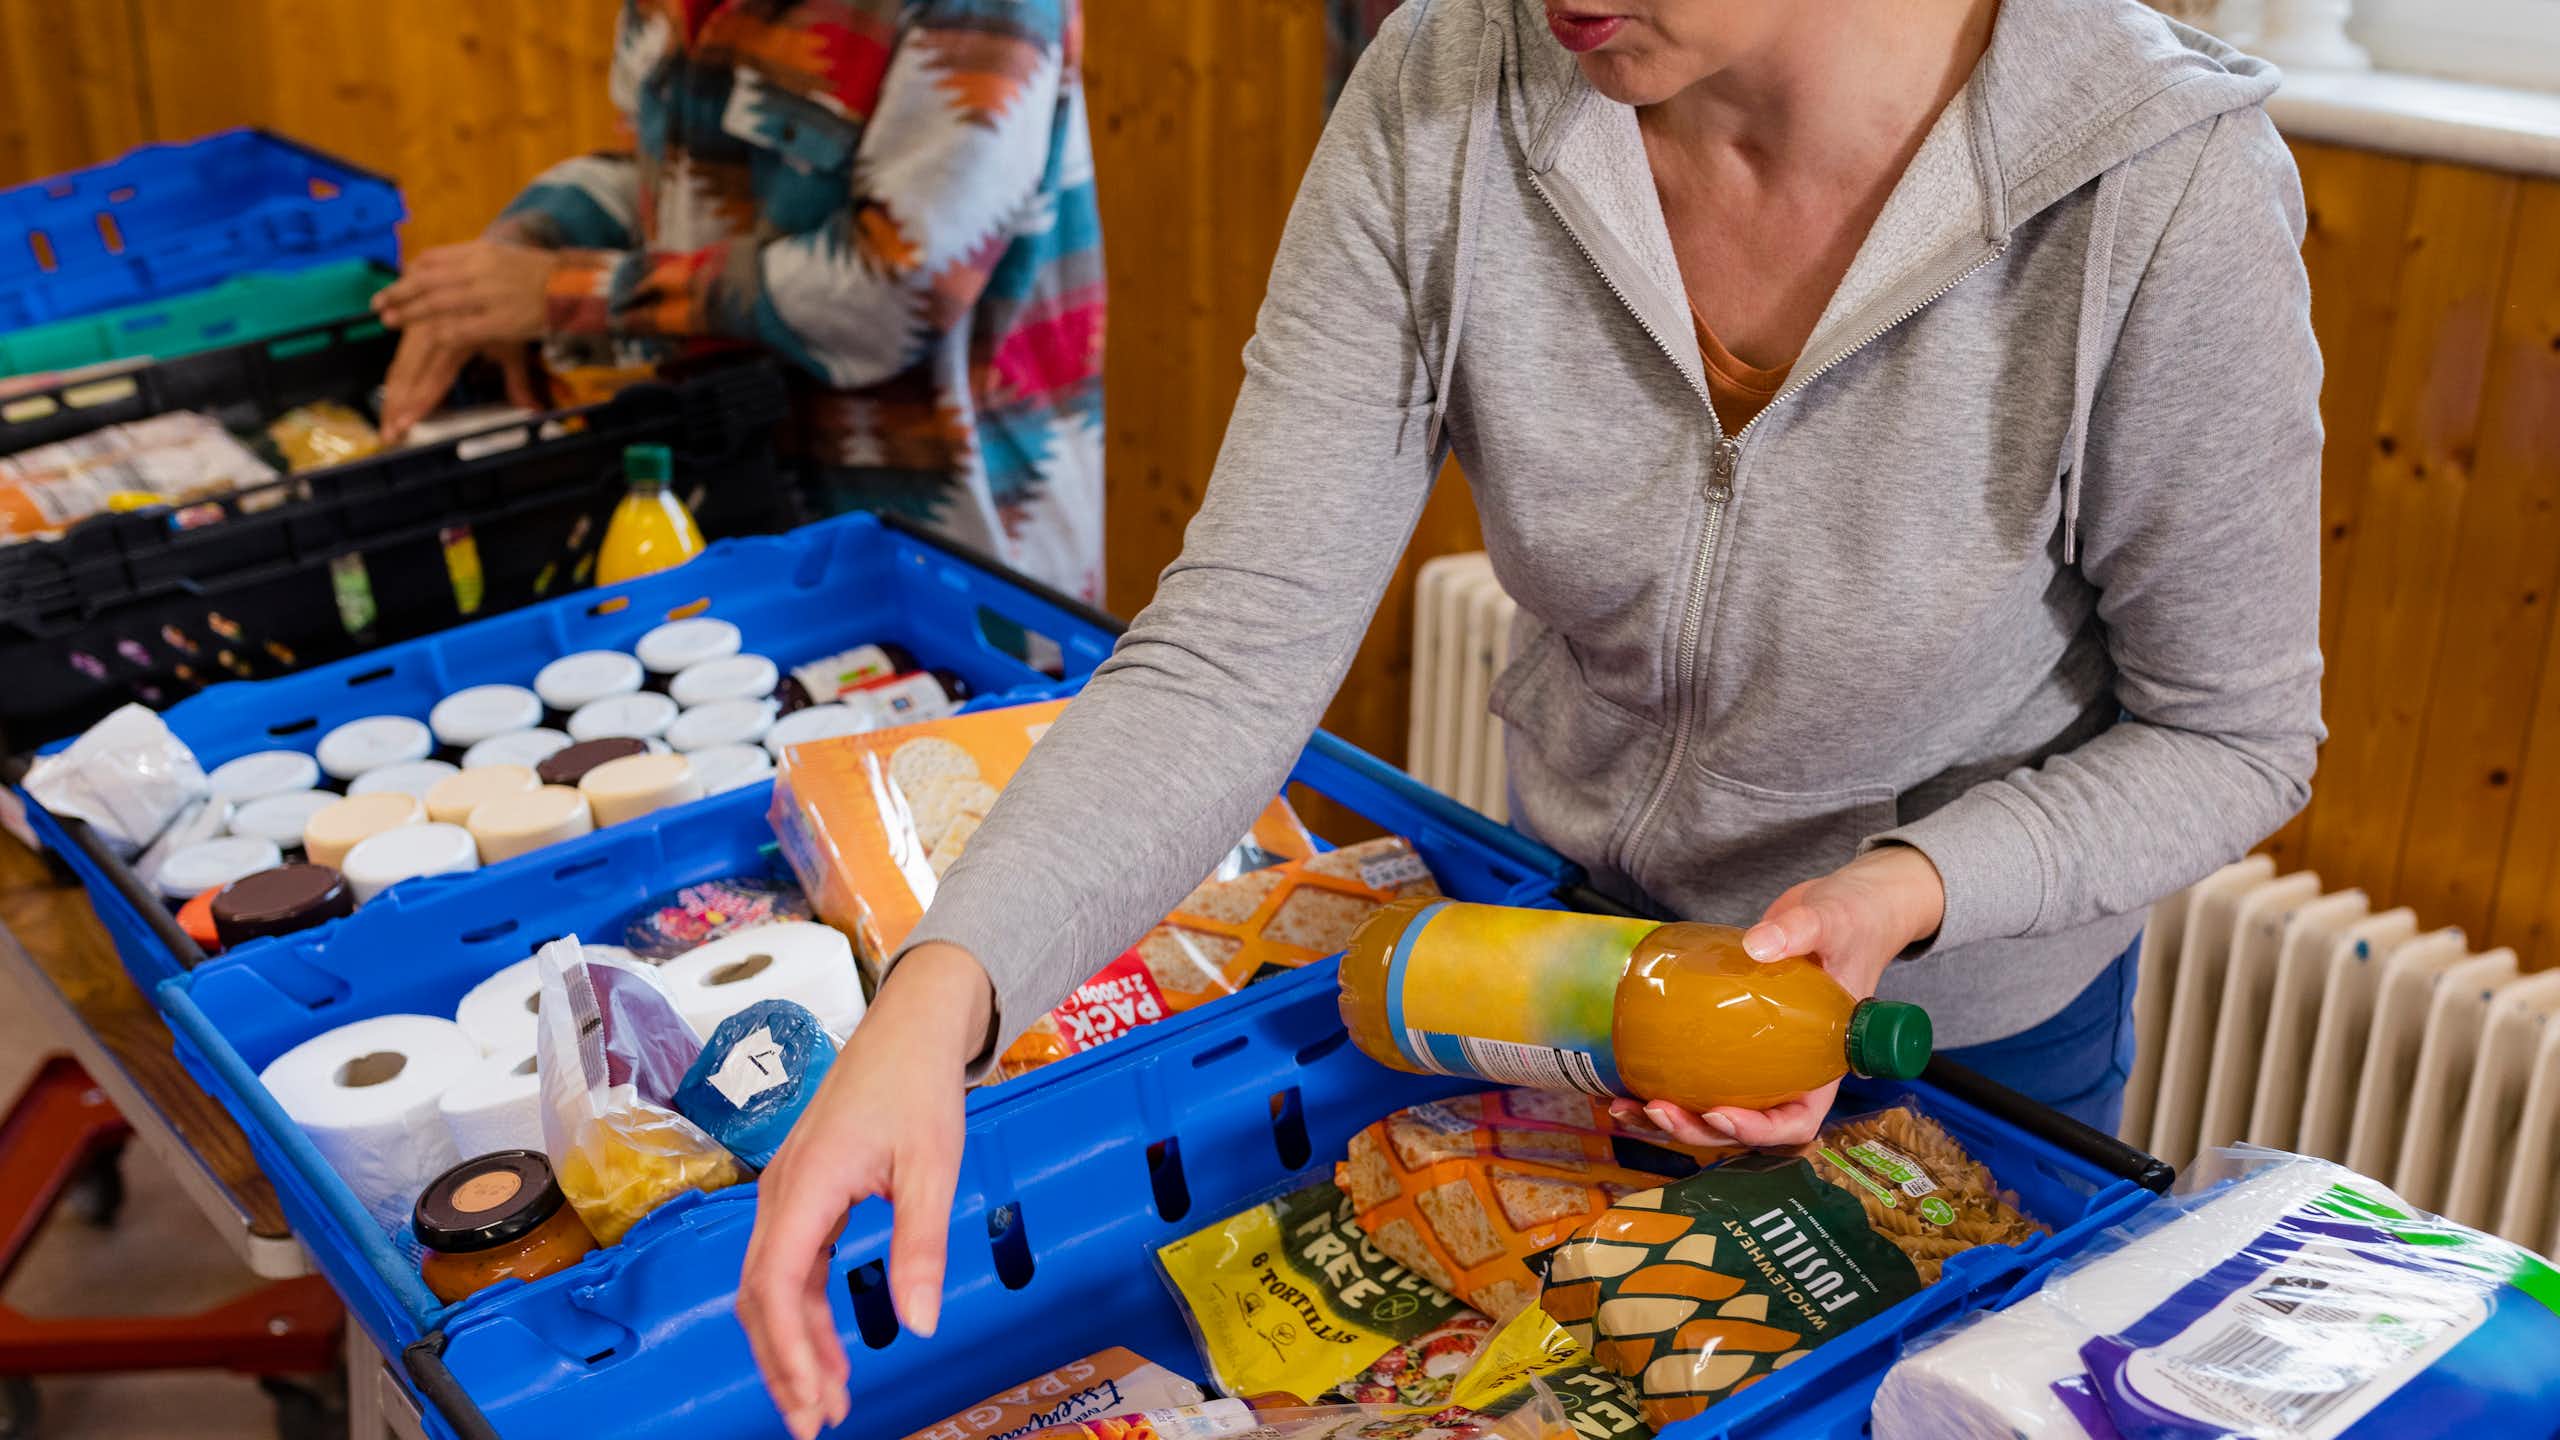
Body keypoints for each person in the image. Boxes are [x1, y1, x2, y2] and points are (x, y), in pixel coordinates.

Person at [738, 0, 2324, 1430]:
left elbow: (2231, 736)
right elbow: (1234, 651)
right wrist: (940, 1001)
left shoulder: (2158, 184)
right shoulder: (1450, 85)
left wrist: (1905, 893)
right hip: (1576, 977)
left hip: (1964, 1037)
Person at [368, 0, 1108, 602]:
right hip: (745, 507)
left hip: (955, 552)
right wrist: (522, 253)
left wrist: (564, 293)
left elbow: (890, 294)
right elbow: (676, 183)